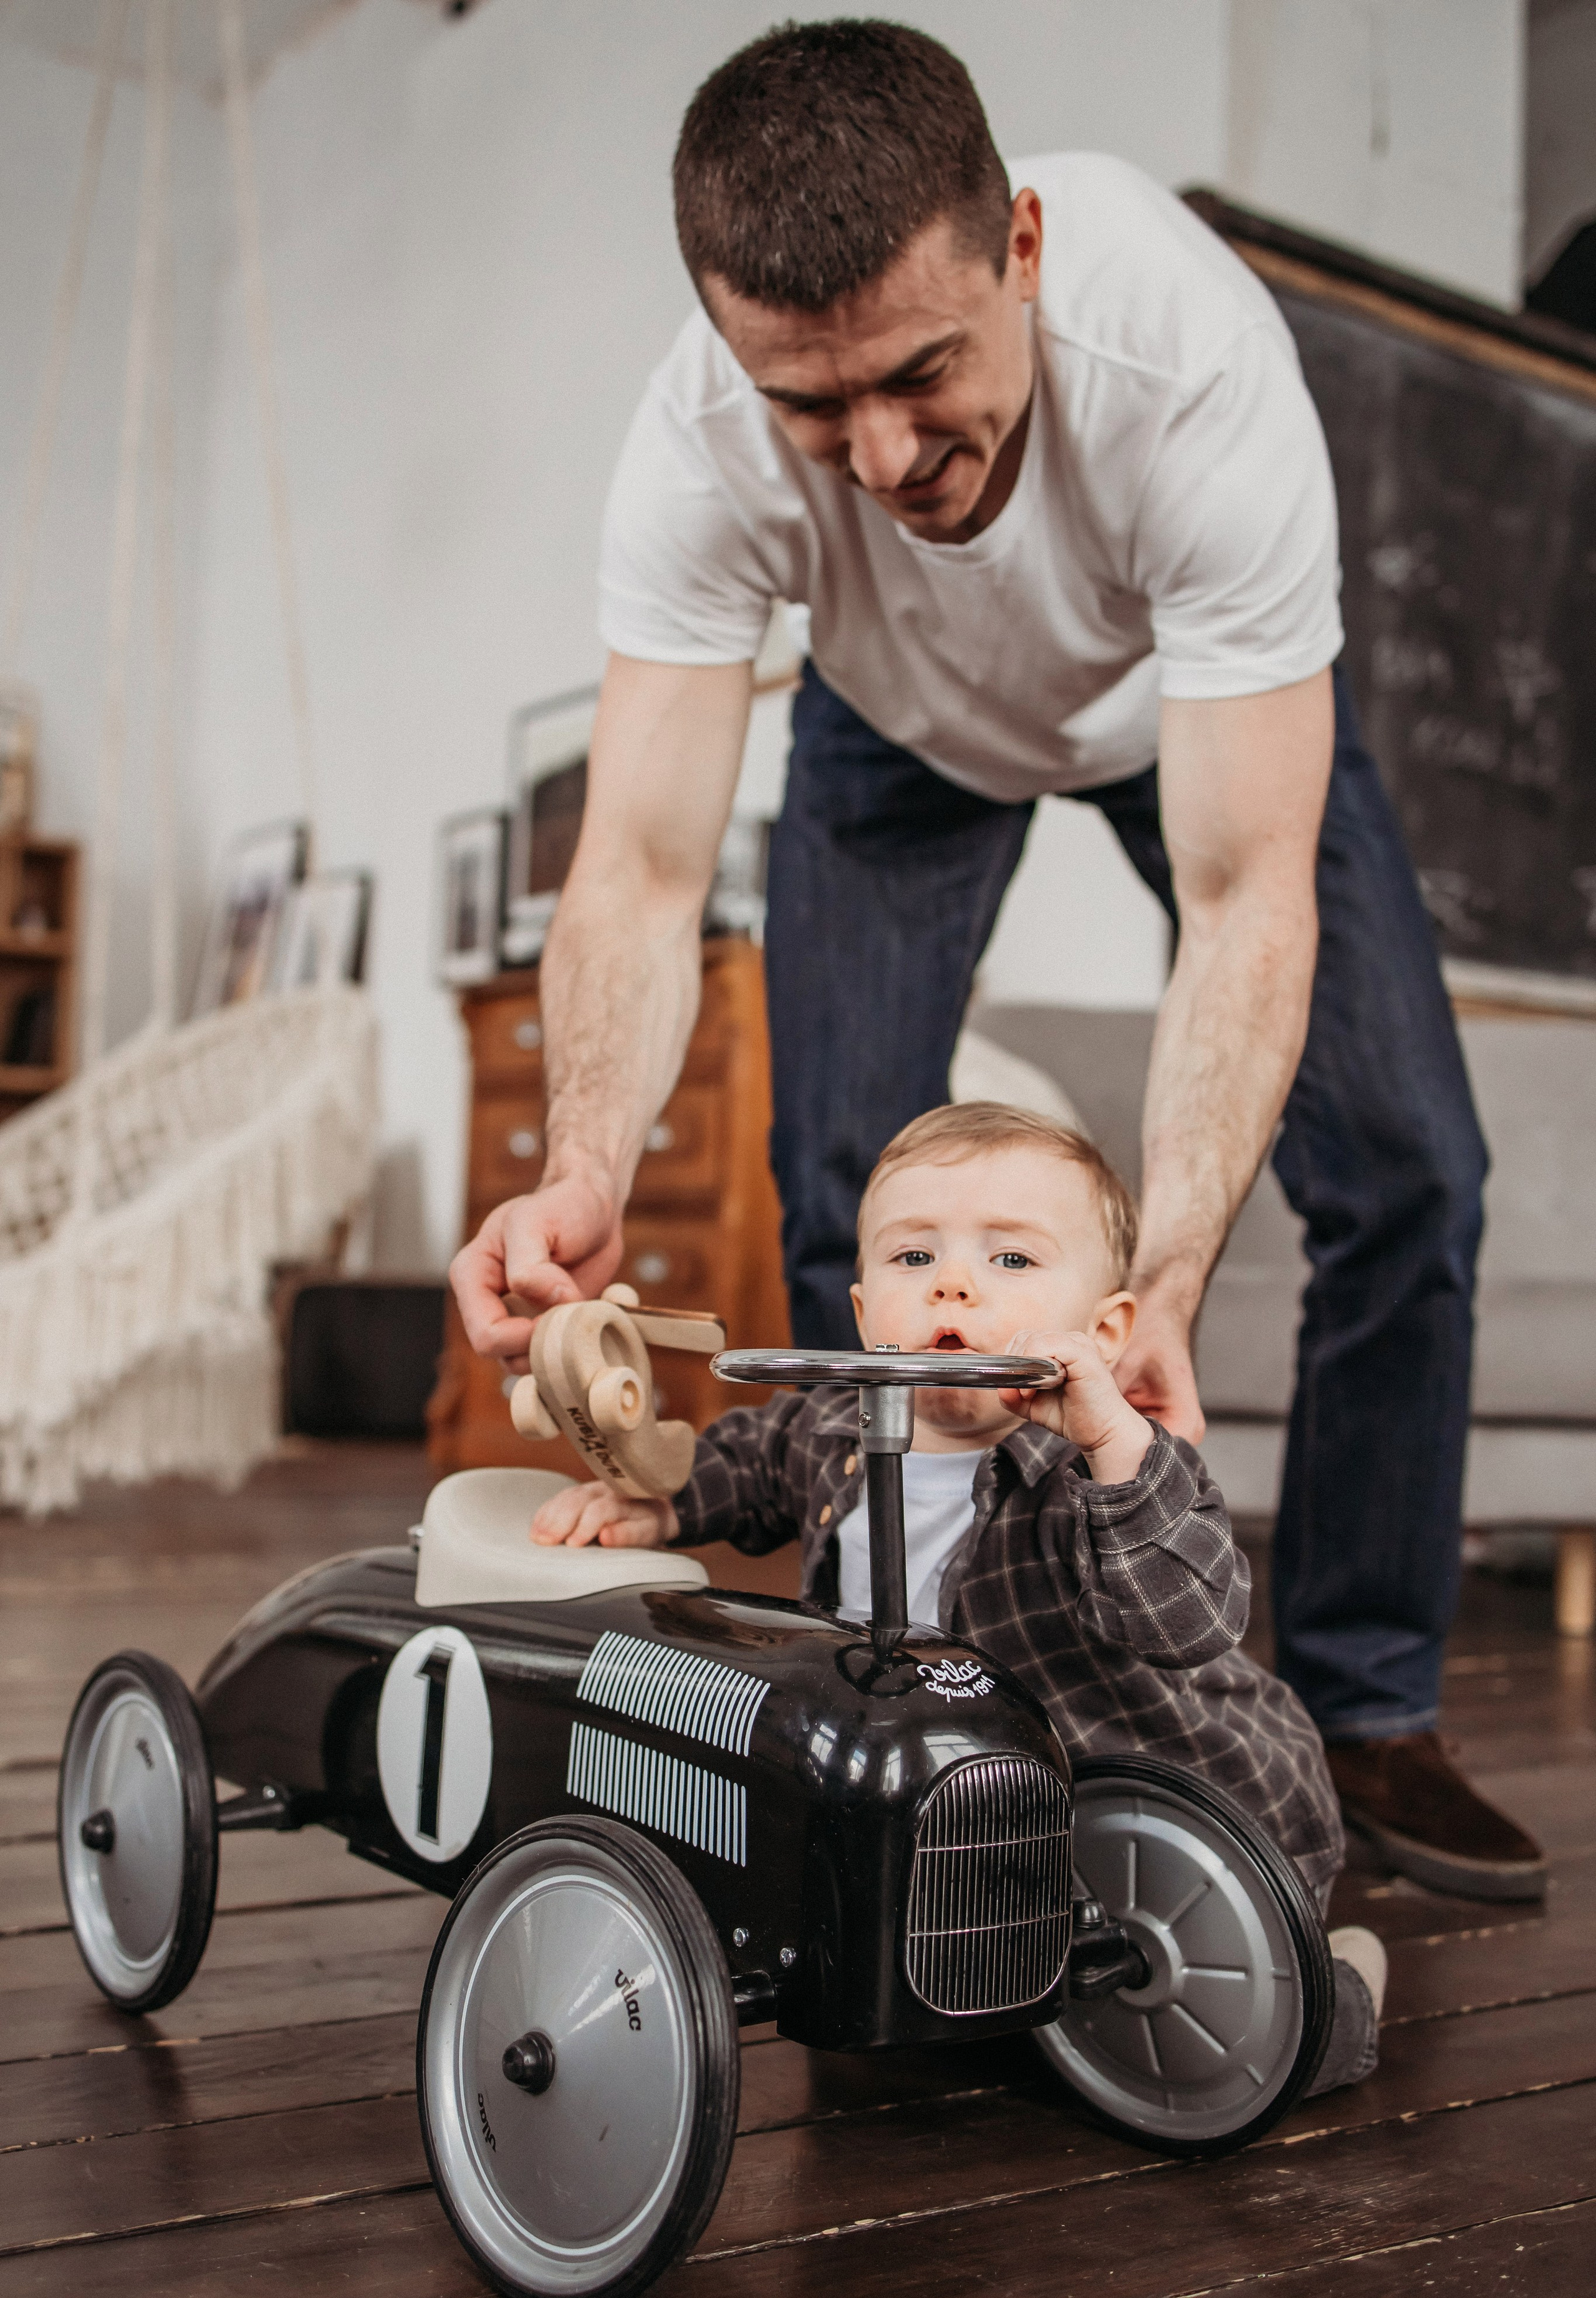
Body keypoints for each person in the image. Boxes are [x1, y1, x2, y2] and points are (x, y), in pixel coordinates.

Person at [449, 20, 1542, 1899]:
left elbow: (1248, 891)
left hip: (1195, 724)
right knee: (842, 1188)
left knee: (1412, 1173)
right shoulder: (697, 445)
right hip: (895, 736)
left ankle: (1368, 1712)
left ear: (1021, 245)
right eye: (814, 407)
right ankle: (892, 1687)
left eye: (922, 372)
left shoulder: (1195, 370)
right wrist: (581, 1169)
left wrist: (1167, 1279)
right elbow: (635, 865)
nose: (880, 457)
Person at [532, 1102, 1386, 2094]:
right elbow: (747, 1466)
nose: (952, 1282)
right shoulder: (829, 1425)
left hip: (1159, 1813)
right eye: (911, 1258)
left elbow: (1189, 1618)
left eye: (1012, 1262)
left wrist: (1115, 1446)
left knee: (1246, 2057)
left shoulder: (1107, 1467)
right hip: (963, 1823)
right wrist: (663, 1508)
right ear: (862, 1317)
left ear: (1105, 1330)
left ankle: (1345, 1978)